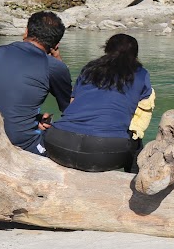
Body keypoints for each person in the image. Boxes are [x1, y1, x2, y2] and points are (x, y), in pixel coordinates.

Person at [44, 34, 154, 173]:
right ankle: (134, 186)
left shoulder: (90, 68)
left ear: (106, 49)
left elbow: (72, 103)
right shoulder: (141, 74)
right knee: (136, 139)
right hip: (103, 152)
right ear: (135, 54)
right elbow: (142, 112)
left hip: (58, 143)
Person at [0, 11, 72, 155]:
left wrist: (34, 120)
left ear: (26, 32)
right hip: (18, 145)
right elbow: (71, 109)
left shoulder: (0, 51)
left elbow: (4, 94)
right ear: (56, 44)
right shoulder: (53, 66)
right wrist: (59, 61)